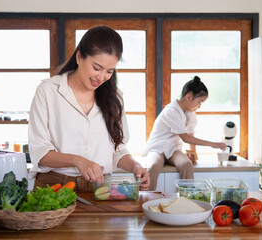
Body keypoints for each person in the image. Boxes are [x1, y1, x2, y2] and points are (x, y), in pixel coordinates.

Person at [28, 25, 150, 193]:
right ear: (79, 57)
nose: (101, 77)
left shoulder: (115, 98)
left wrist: (135, 166)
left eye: (109, 71)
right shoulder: (48, 91)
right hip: (53, 186)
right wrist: (78, 161)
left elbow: (118, 151)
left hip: (99, 189)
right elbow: (39, 153)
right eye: (96, 68)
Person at [142, 76, 227, 191]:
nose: (199, 106)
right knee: (154, 165)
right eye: (199, 102)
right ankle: (146, 197)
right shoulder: (171, 111)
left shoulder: (190, 113)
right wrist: (213, 144)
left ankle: (186, 197)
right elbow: (186, 138)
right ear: (188, 97)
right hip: (157, 148)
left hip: (173, 149)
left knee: (186, 164)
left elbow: (191, 134)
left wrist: (193, 153)